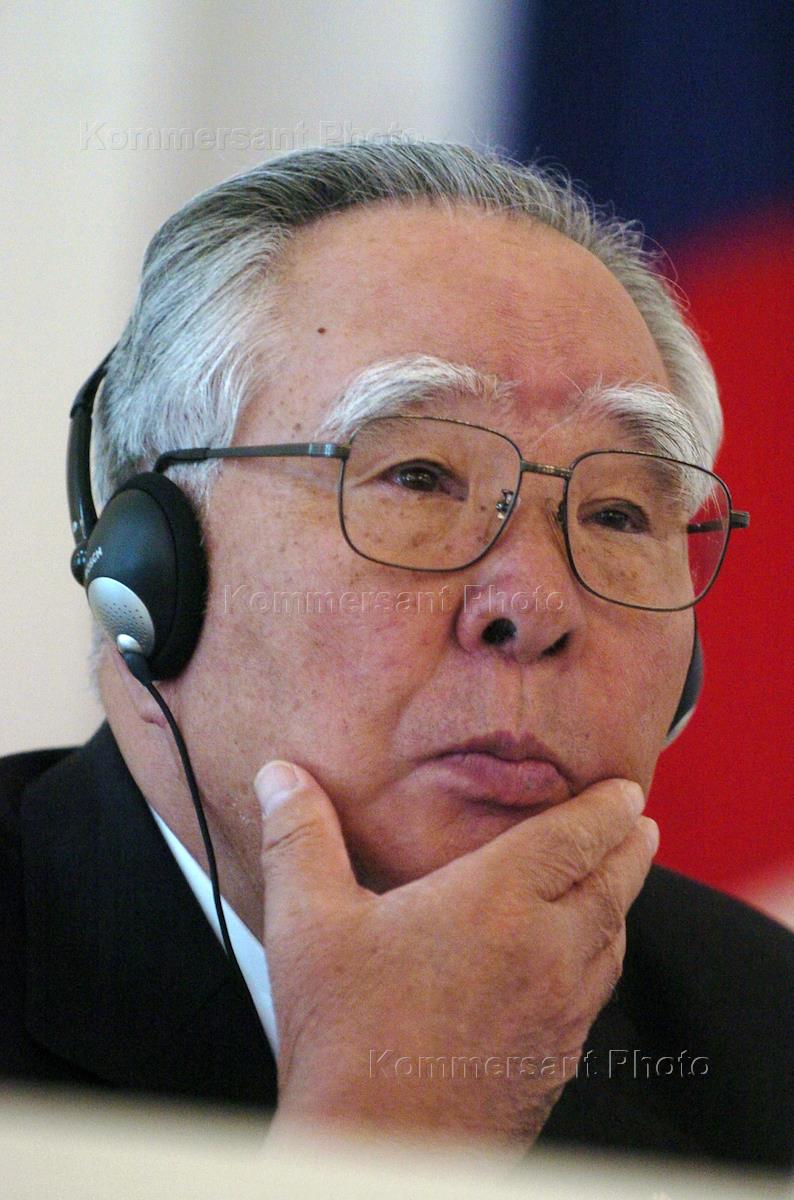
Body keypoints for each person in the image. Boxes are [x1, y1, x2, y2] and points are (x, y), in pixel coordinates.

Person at [2, 141, 791, 1170]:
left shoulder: (761, 1030)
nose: (536, 606)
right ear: (148, 574)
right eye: (418, 478)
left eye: (615, 514)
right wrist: (382, 1141)